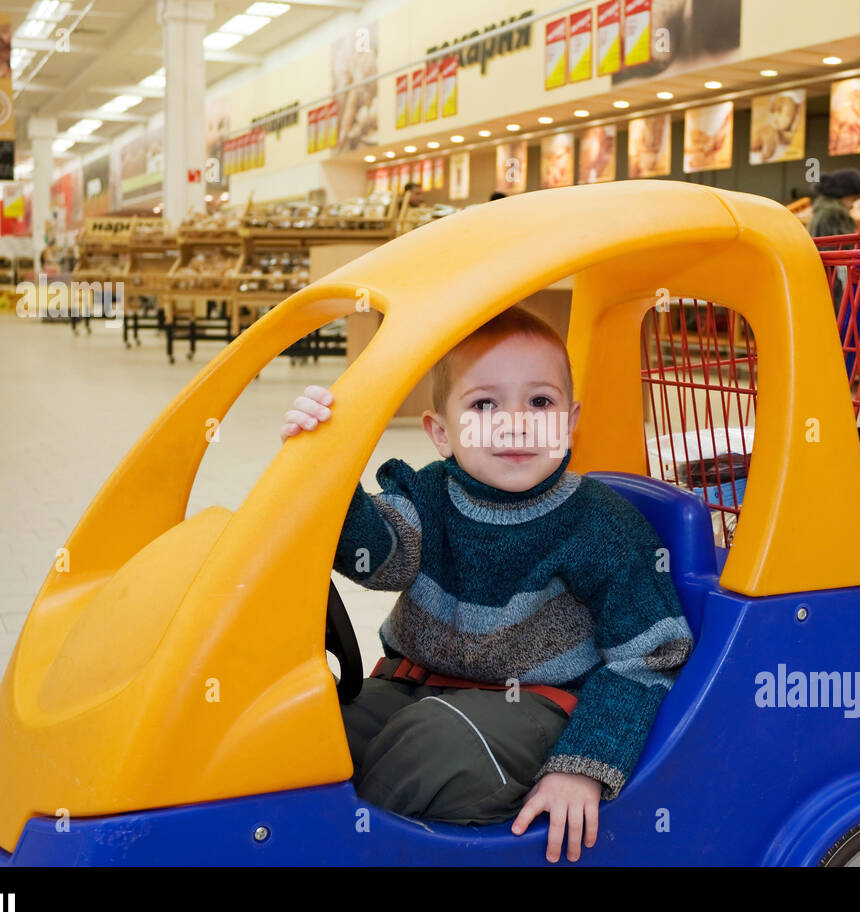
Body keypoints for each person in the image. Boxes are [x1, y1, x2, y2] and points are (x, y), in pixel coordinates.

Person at [280, 308, 693, 862]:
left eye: (540, 403)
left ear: (570, 423)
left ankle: (334, 849)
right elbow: (375, 559)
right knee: (310, 727)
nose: (515, 421)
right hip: (413, 686)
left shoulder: (601, 526)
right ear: (441, 433)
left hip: (540, 709)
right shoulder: (429, 495)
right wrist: (322, 464)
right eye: (484, 405)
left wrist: (584, 765)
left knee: (433, 743)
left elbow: (648, 657)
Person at [807, 167, 860, 239]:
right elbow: (844, 243)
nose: (851, 205)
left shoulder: (822, 209)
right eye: (852, 199)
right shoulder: (834, 213)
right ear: (843, 194)